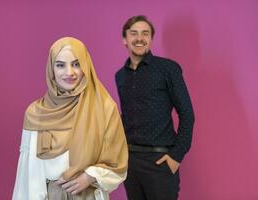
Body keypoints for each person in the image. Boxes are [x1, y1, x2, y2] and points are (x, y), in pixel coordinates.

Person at [12, 37, 128, 200]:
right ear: (51, 69)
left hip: (88, 195)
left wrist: (90, 176)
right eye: (60, 65)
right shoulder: (36, 113)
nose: (69, 73)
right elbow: (26, 174)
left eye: (76, 64)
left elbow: (118, 164)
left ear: (86, 66)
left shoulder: (105, 109)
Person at [115, 15, 195, 200]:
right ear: (124, 39)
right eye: (133, 33)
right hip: (130, 161)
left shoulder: (168, 69)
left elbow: (187, 113)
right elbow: (126, 115)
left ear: (151, 38)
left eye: (145, 33)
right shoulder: (120, 76)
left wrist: (176, 156)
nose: (140, 38)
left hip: (160, 161)